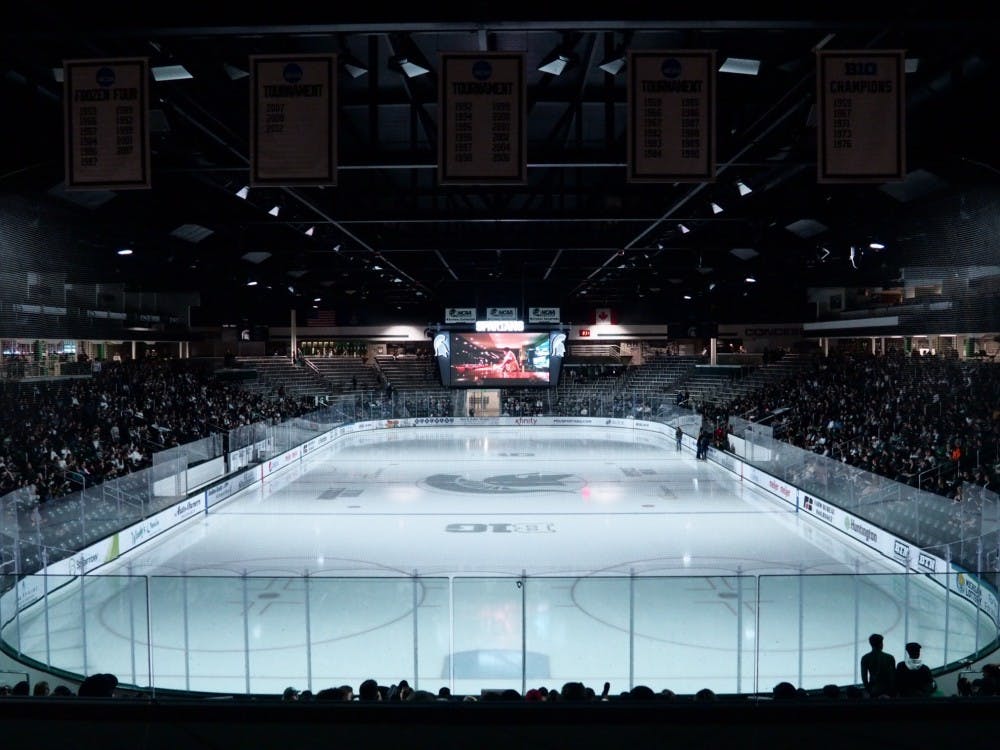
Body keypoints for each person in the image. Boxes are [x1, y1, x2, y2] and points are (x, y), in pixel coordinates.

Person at [860, 633, 896, 698]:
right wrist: (891, 691)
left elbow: (864, 677)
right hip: (887, 690)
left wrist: (869, 690)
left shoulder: (865, 658)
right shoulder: (890, 657)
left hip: (873, 689)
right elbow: (893, 676)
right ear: (881, 644)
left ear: (871, 644)